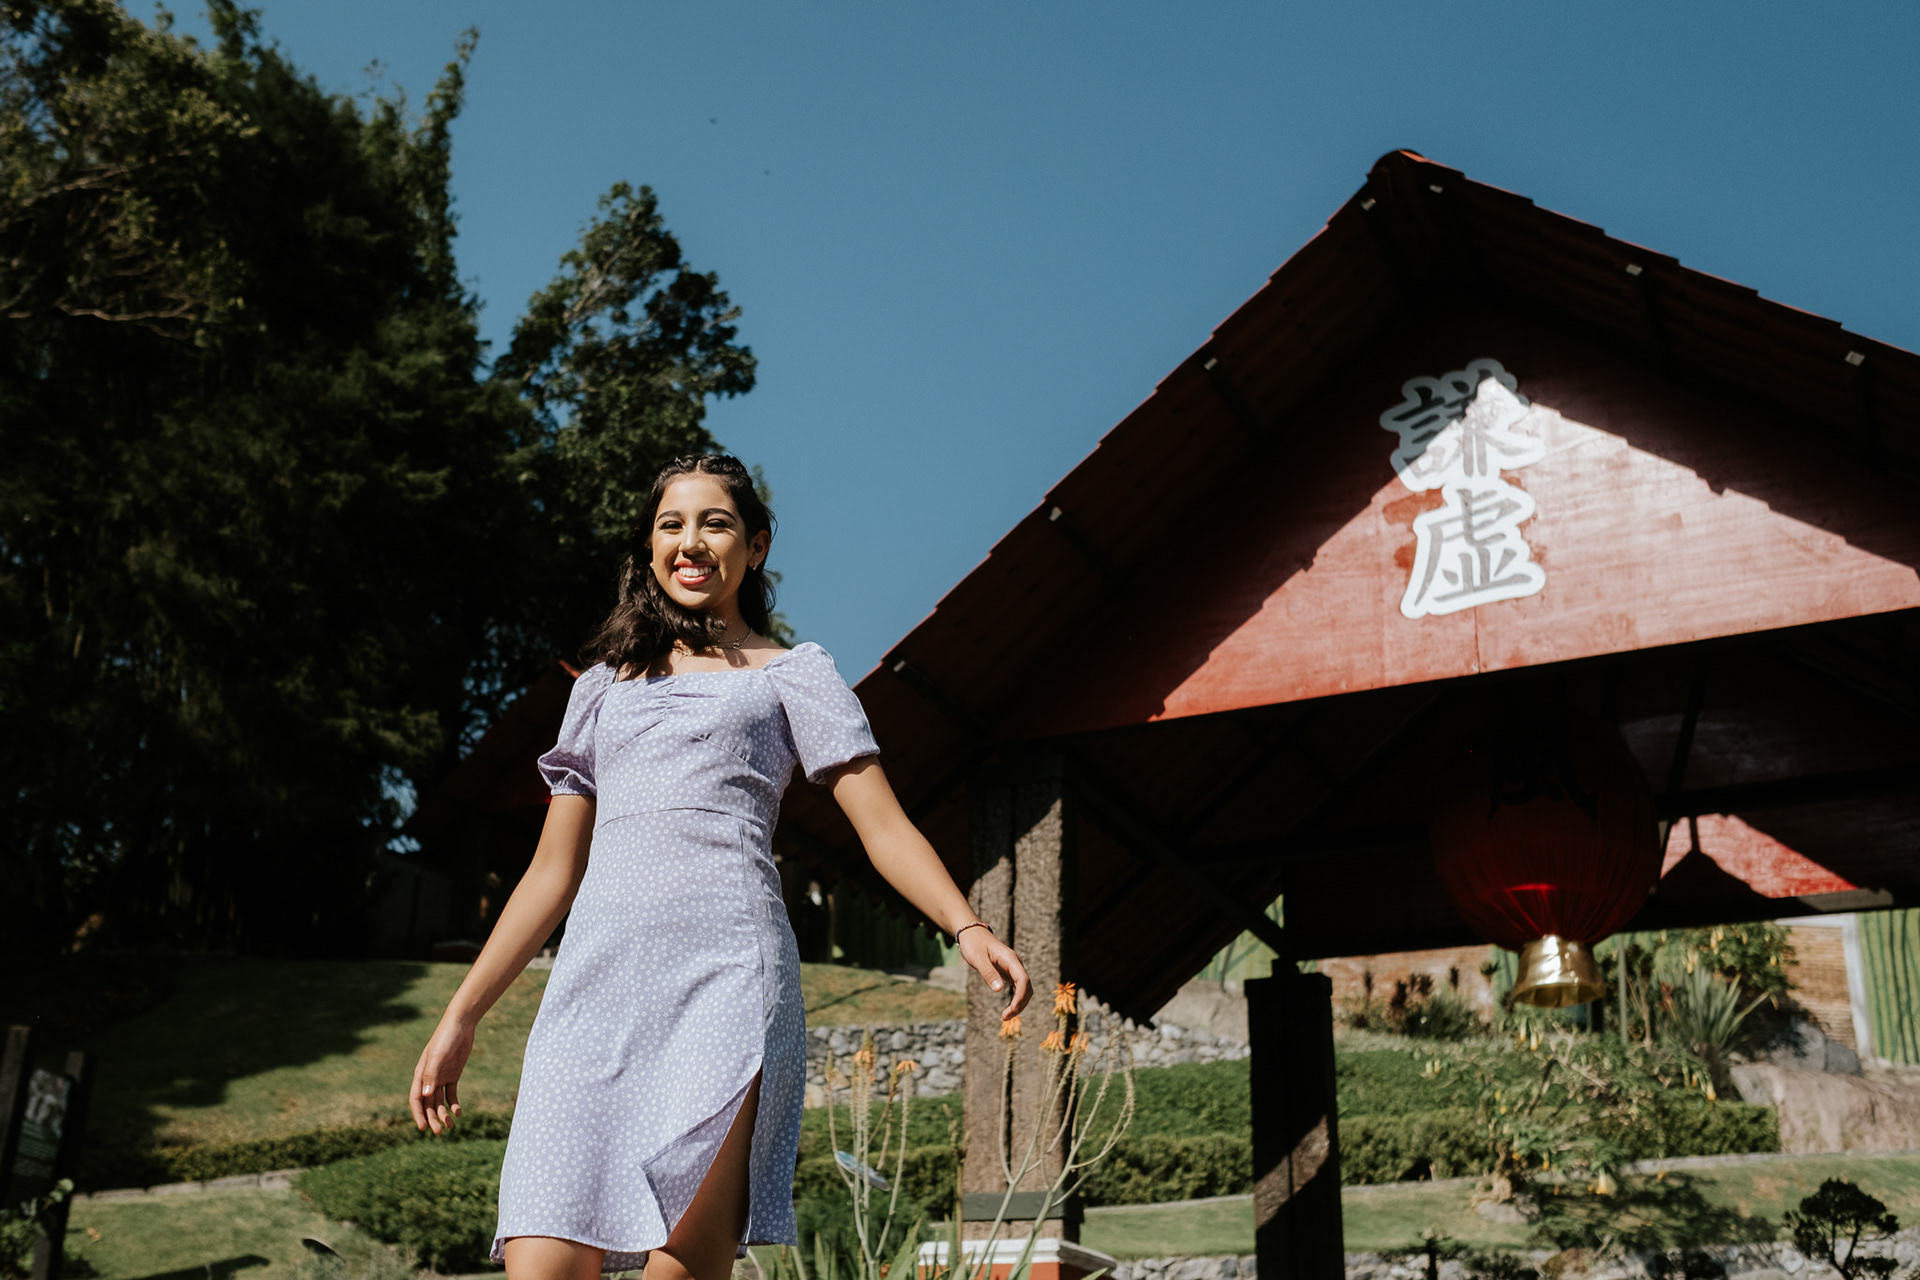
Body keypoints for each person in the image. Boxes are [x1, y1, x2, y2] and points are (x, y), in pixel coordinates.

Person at [408, 454, 1031, 1280]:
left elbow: (882, 826)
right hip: (592, 992)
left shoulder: (793, 675)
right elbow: (551, 873)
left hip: (727, 982)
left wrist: (967, 925)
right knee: (542, 1255)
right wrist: (462, 1016)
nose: (691, 542)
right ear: (650, 547)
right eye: (672, 524)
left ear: (756, 546)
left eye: (716, 523)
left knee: (682, 1267)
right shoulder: (599, 690)